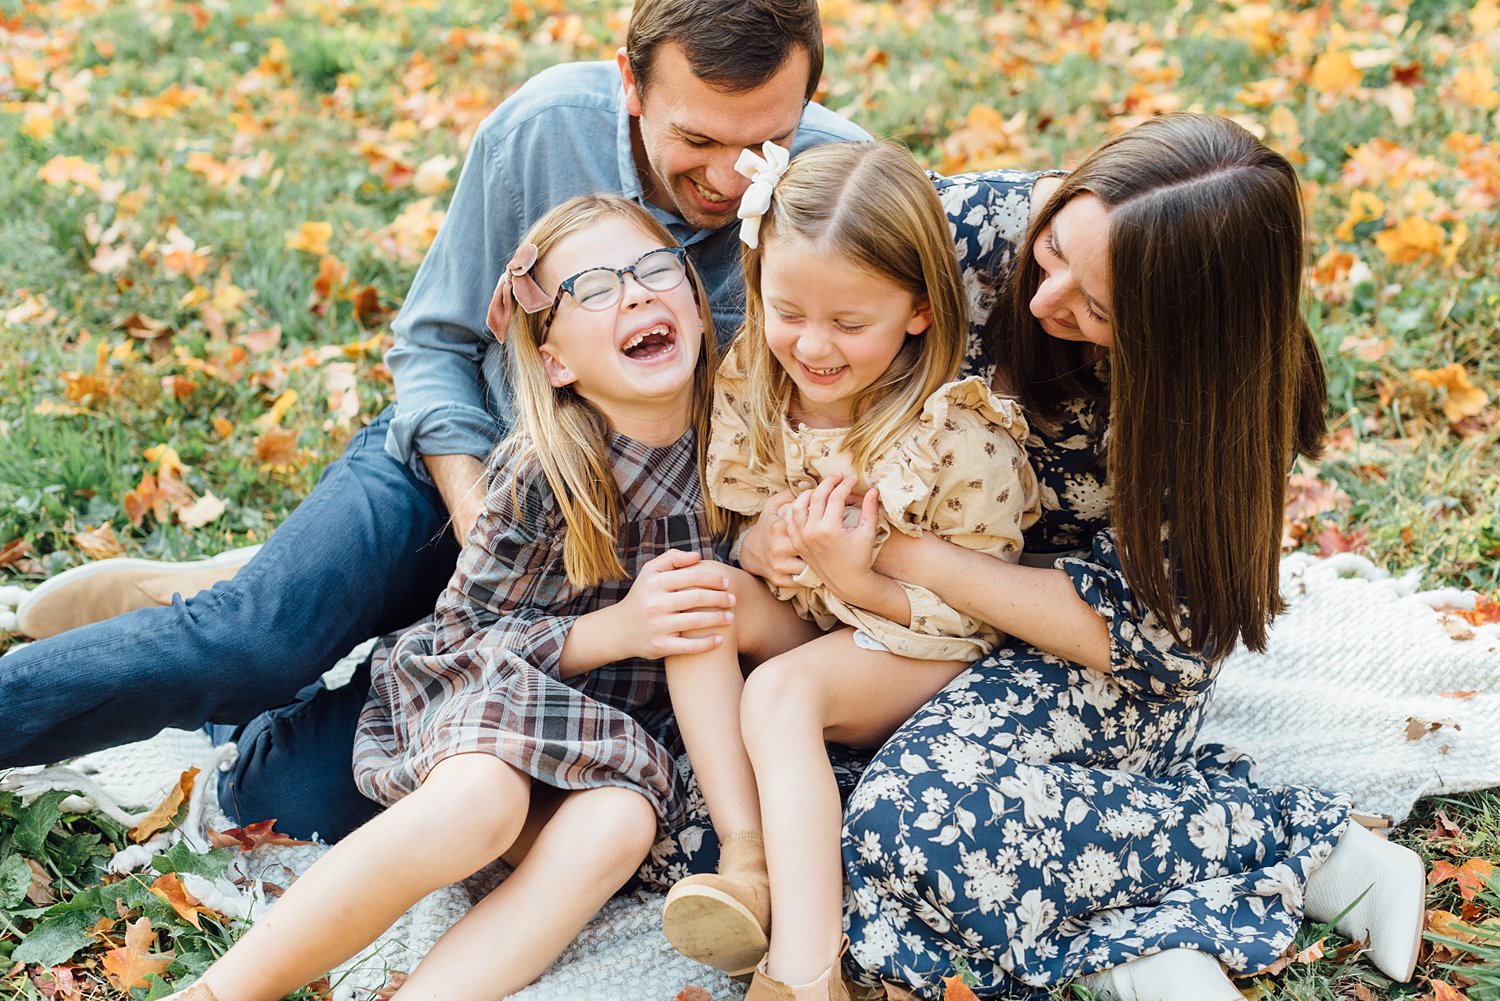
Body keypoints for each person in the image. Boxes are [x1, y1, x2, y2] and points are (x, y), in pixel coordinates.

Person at [0, 0, 868, 842]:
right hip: (464, 466)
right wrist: (476, 511)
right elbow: (433, 342)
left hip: (628, 555)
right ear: (630, 86)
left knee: (293, 795)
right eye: (697, 140)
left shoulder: (843, 188)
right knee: (254, 644)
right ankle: (255, 605)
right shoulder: (542, 129)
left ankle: (328, 625)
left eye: (763, 142)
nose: (727, 178)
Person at [781, 115, 1425, 1000]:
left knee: (907, 820)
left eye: (1097, 309)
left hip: (1087, 647)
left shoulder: (1222, 398)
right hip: (901, 619)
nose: (1045, 305)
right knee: (735, 803)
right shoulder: (955, 235)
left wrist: (907, 557)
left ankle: (1302, 846)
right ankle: (1140, 945)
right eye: (1052, 255)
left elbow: (1155, 643)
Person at [167, 193, 744, 1001]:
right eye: (597, 288)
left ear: (696, 299)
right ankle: (220, 994)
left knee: (618, 826)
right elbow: (461, 636)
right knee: (481, 803)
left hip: (616, 745)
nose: (639, 294)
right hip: (494, 700)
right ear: (555, 362)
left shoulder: (744, 447)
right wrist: (615, 630)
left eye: (656, 270)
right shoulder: (545, 475)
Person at [654, 140, 1040, 1001]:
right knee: (696, 597)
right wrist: (762, 547)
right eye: (788, 310)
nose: (812, 346)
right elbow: (745, 512)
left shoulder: (957, 437)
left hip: (917, 647)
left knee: (779, 694)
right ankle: (747, 855)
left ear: (919, 310)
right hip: (822, 617)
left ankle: (804, 967)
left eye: (848, 322)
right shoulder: (757, 373)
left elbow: (981, 619)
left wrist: (859, 579)